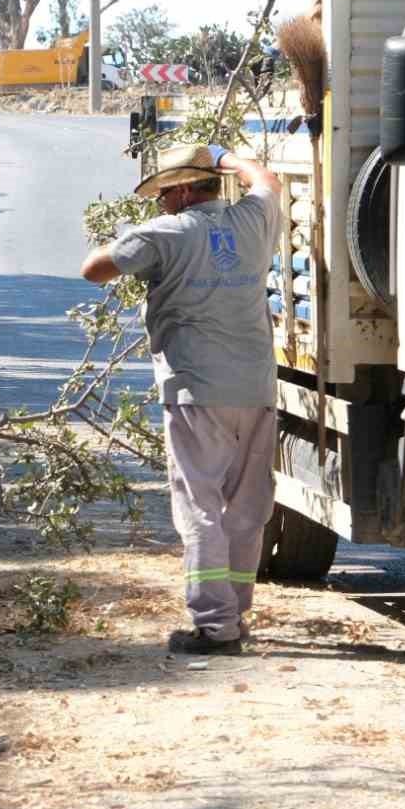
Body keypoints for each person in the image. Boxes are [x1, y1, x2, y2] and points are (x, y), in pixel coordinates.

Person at [80, 144, 283, 656]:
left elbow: (94, 269)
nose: (162, 203)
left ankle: (215, 627)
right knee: (245, 507)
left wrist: (130, 240)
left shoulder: (165, 234)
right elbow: (269, 182)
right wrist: (228, 156)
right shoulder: (254, 221)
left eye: (166, 193)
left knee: (200, 505)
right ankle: (237, 613)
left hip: (197, 393)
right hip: (257, 389)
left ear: (186, 190)